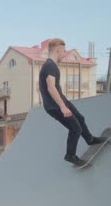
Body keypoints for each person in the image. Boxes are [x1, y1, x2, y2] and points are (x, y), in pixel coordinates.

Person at [38, 38, 104, 166]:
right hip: (55, 106)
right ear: (58, 50)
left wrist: (64, 103)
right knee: (75, 129)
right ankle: (70, 155)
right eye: (64, 51)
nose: (64, 54)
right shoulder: (50, 65)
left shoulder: (50, 65)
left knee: (80, 118)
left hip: (61, 101)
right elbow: (51, 87)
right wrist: (62, 107)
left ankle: (89, 139)